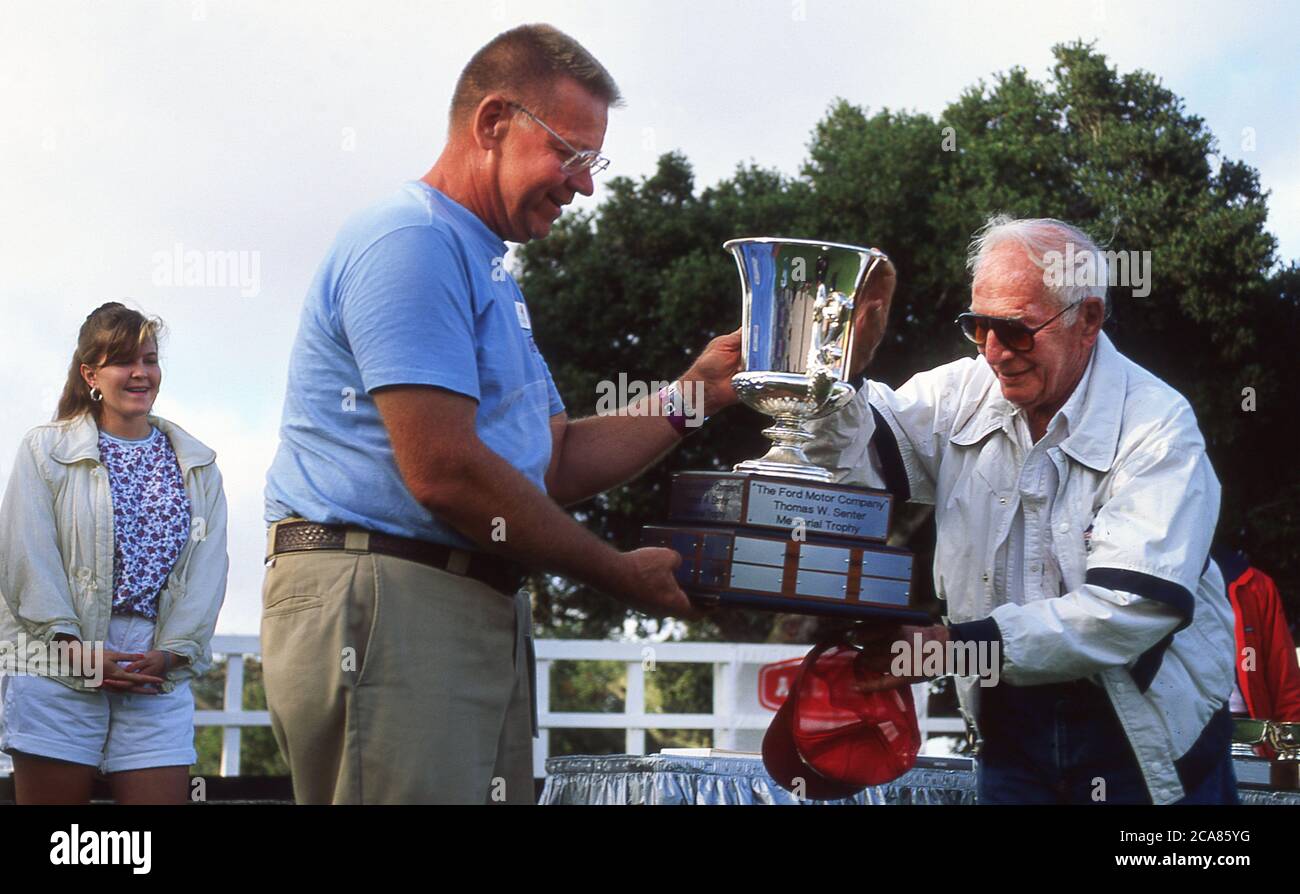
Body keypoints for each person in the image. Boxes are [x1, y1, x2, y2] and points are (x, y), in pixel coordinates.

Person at [261, 24, 740, 804]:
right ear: (492, 124)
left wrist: (700, 392)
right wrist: (616, 573)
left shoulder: (486, 268)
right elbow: (446, 471)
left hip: (449, 603)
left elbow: (550, 462)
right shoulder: (410, 240)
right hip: (394, 602)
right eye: (572, 153)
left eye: (594, 161)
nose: (585, 184)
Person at [799, 216, 1237, 804]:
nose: (994, 353)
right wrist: (841, 376)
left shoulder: (1158, 425)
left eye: (1016, 330)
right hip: (1008, 719)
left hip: (1142, 723)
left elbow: (1129, 610)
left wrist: (954, 647)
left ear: (1088, 319)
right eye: (977, 326)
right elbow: (858, 467)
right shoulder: (962, 389)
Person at [0, 302, 229, 804]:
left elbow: (208, 572)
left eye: (149, 359)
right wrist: (73, 649)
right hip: (56, 660)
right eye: (124, 360)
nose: (141, 372)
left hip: (152, 670)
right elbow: (26, 557)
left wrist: (169, 654)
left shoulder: (198, 465)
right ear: (91, 374)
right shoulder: (44, 451)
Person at [1212, 544, 1300, 757]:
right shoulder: (1157, 583)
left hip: (1250, 734)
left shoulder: (1254, 585)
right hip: (1180, 736)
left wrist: (1292, 750)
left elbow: (1283, 678)